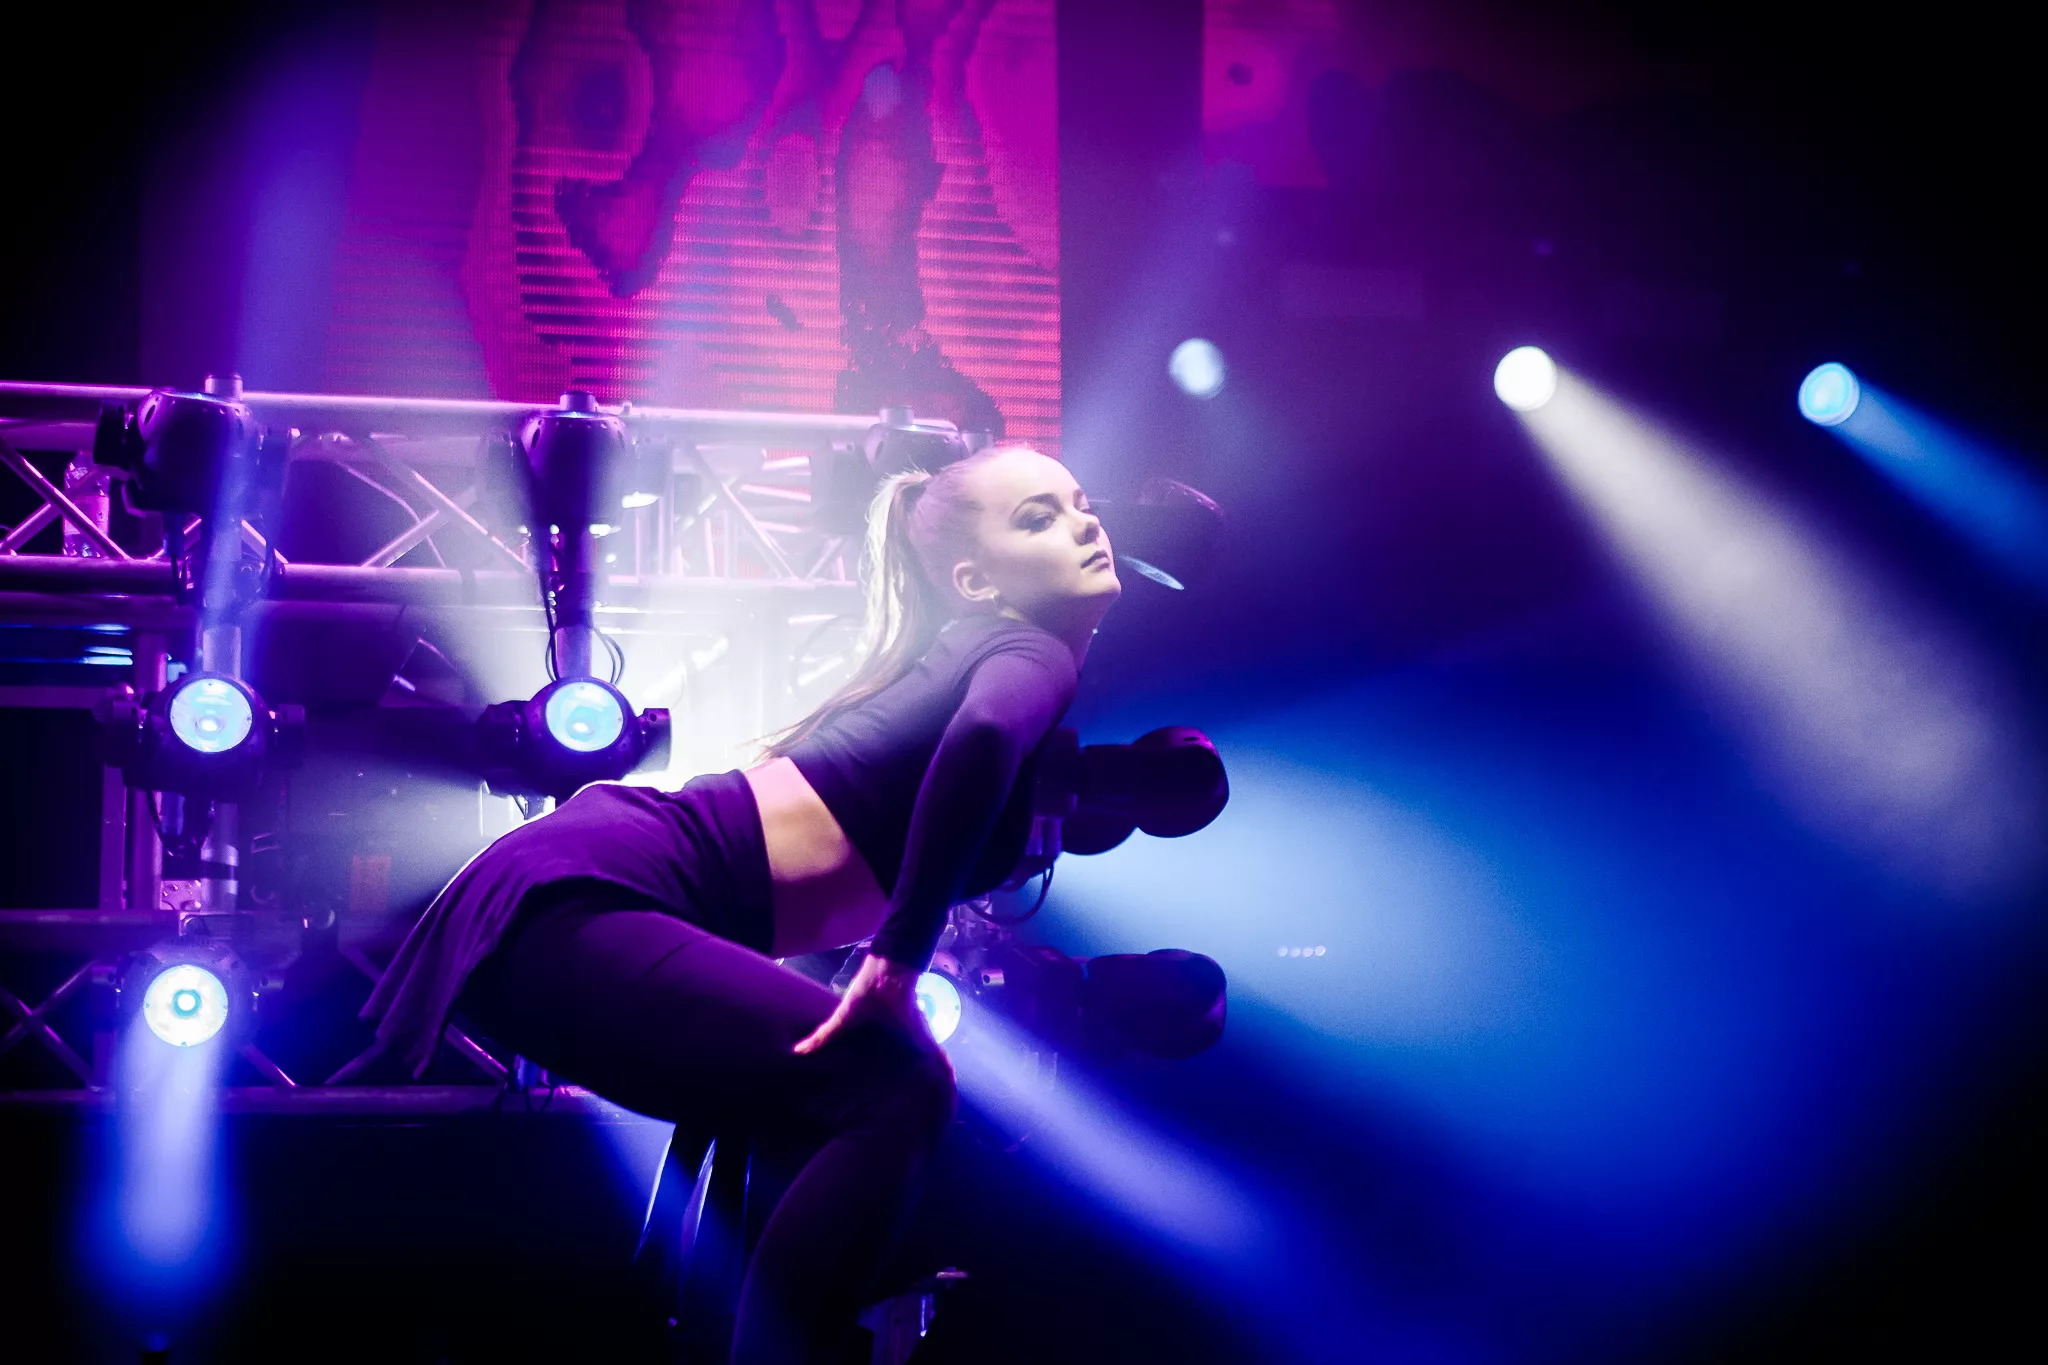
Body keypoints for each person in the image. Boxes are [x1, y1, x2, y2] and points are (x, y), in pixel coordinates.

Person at [358, 442, 1120, 1363]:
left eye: (1082, 503)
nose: (1084, 524)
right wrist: (900, 955)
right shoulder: (1027, 649)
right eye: (1038, 517)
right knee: (898, 1084)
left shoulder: (974, 659)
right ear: (973, 581)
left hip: (574, 891)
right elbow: (987, 734)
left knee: (829, 1099)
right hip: (584, 895)